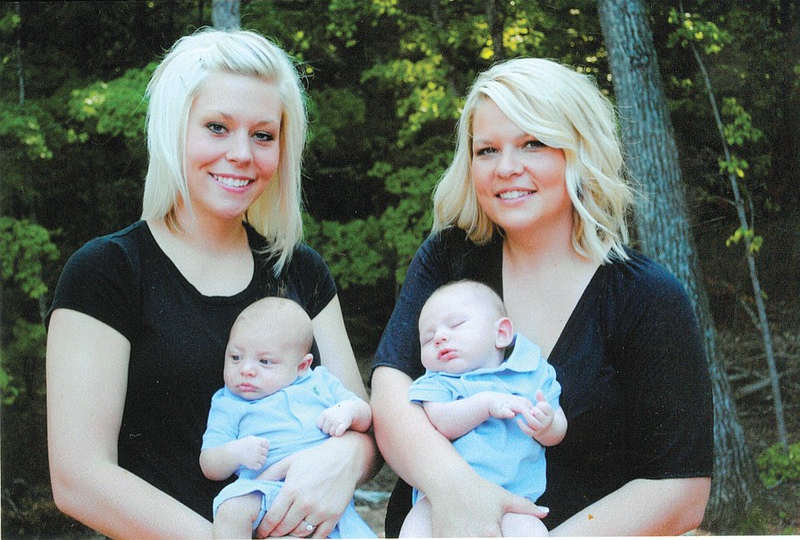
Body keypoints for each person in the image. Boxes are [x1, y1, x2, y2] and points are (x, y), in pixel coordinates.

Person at [46, 28, 376, 540]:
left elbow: (364, 428)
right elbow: (79, 478)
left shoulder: (300, 271)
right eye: (218, 127)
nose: (242, 153)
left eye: (263, 135)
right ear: (174, 129)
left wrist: (344, 461)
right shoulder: (105, 271)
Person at [371, 57, 713, 537]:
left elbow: (680, 490)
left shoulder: (648, 299)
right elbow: (391, 394)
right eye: (486, 150)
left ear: (581, 150)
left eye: (533, 143)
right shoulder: (450, 258)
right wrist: (459, 493)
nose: (506, 168)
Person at [399, 280, 567, 538]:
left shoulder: (532, 370)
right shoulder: (437, 381)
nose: (440, 337)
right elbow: (442, 422)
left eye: (456, 325)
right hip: (443, 499)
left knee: (531, 531)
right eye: (428, 338)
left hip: (514, 500)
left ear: (500, 334)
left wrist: (546, 424)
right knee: (415, 528)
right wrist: (486, 405)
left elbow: (557, 430)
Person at [201, 297, 375, 539]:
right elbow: (209, 462)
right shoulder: (228, 402)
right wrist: (236, 452)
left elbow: (365, 415)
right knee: (231, 510)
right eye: (236, 357)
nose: (246, 369)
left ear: (302, 366)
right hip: (263, 491)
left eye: (265, 361)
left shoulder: (320, 382)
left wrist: (347, 411)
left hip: (324, 489)